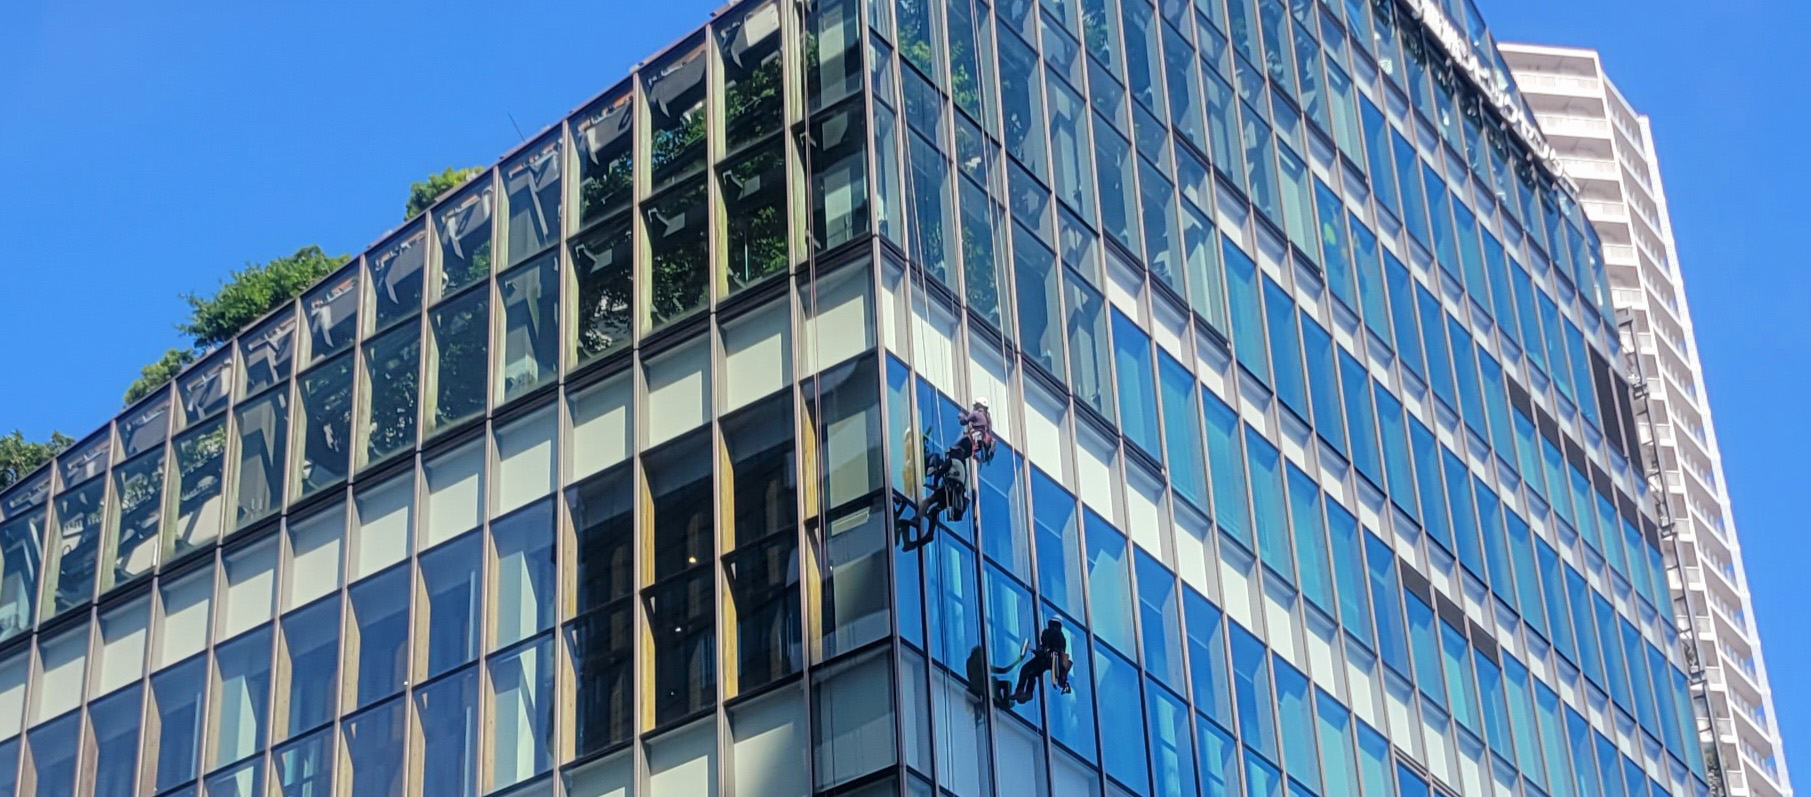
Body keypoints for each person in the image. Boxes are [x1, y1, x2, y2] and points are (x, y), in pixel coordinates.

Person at [900, 436, 974, 552]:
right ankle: (929, 534)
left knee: (928, 501)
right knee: (935, 510)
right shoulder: (964, 469)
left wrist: (935, 482)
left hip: (948, 490)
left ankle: (917, 519)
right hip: (955, 495)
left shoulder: (952, 461)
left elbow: (941, 471)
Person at [998, 619, 1073, 706]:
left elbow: (1051, 650)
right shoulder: (1060, 637)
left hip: (1047, 659)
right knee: (1031, 673)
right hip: (1049, 660)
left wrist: (1042, 652)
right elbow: (1052, 650)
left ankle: (1021, 690)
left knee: (1026, 669)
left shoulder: (1052, 634)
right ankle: (1026, 691)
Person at [959, 397, 996, 464]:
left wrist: (961, 417)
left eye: (975, 405)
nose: (974, 407)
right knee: (964, 454)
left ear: (979, 405)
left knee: (957, 449)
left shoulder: (976, 413)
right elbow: (989, 432)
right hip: (980, 443)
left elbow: (965, 421)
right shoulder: (988, 419)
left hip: (973, 438)